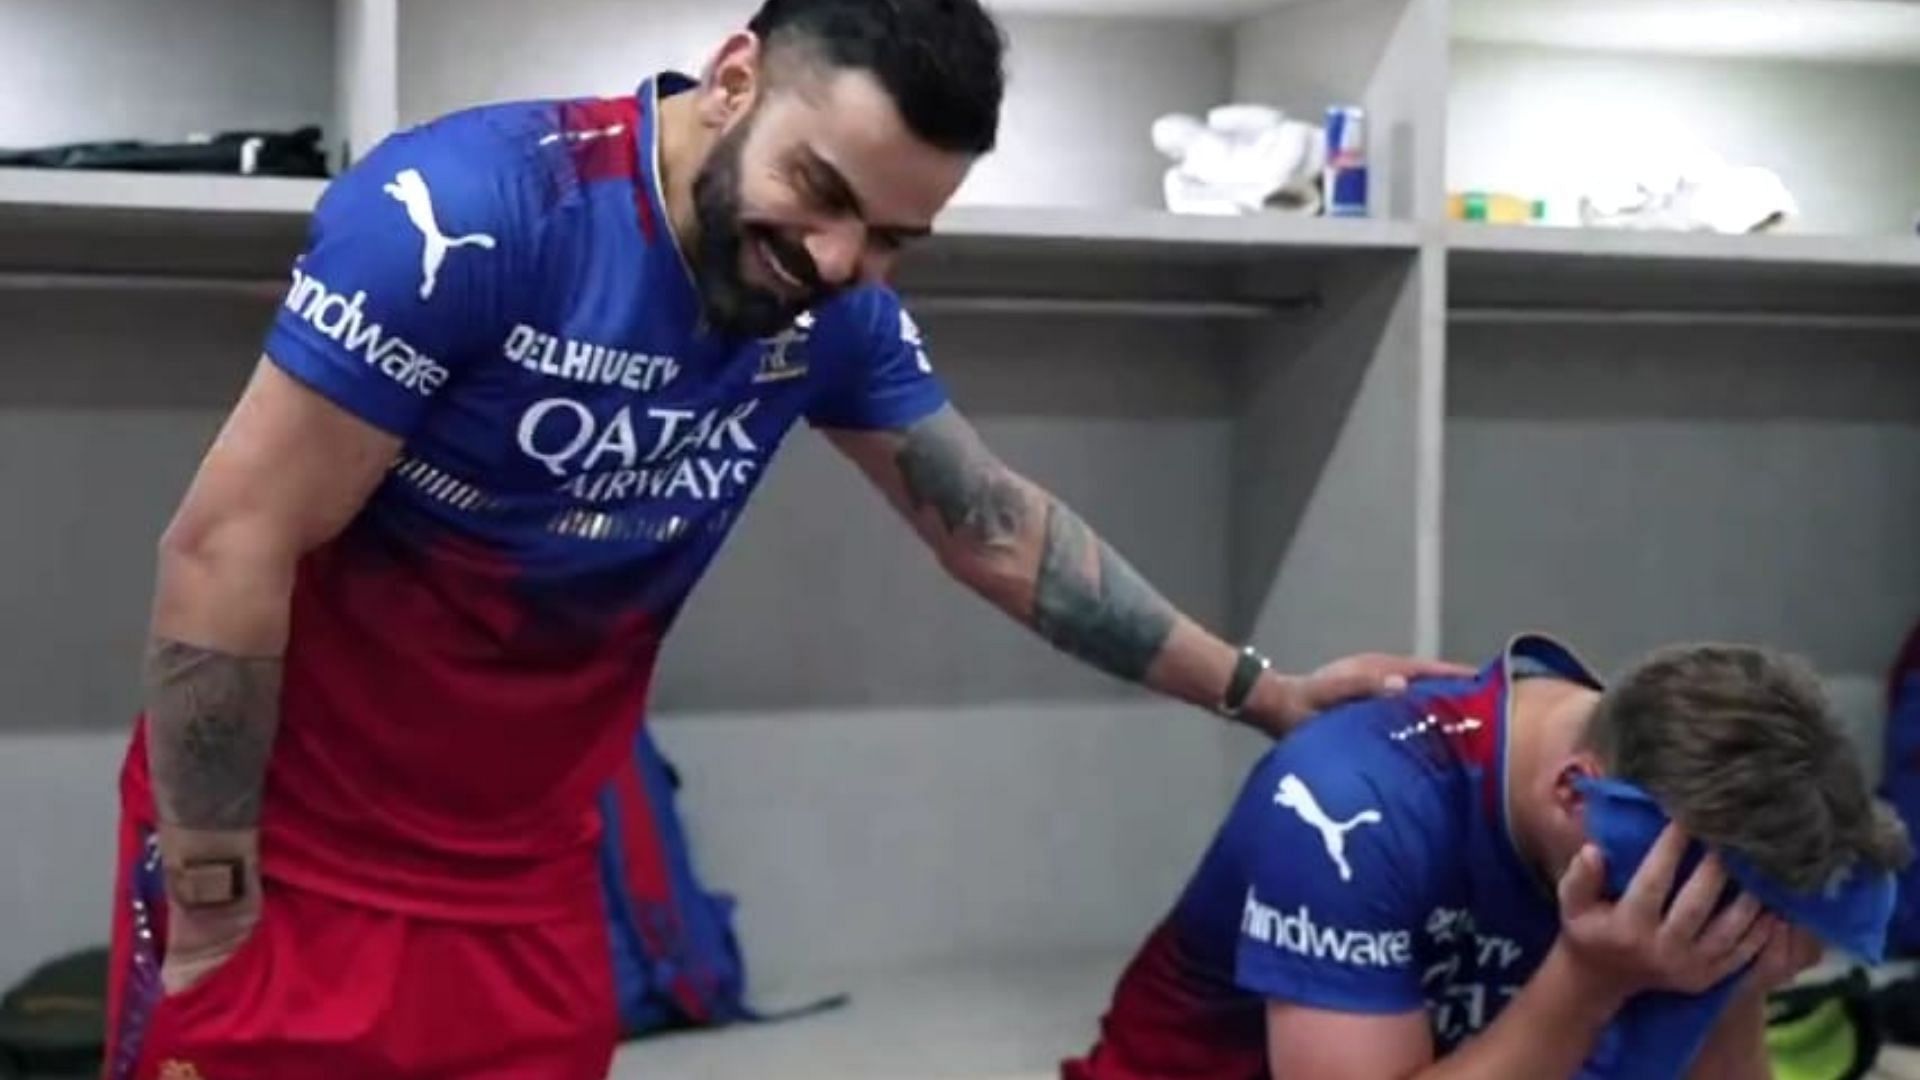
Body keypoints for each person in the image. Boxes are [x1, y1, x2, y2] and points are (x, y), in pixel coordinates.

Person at [101, 1, 1466, 1077]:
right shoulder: (469, 217)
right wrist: (215, 889)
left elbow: (994, 530)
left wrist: (1265, 691)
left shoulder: (832, 313)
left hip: (530, 880)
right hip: (291, 859)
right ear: (737, 75)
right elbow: (229, 547)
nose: (832, 257)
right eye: (816, 189)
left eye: (891, 235)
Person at [1064, 633, 1913, 1080]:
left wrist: (1735, 965)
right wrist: (1587, 980)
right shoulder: (1353, 801)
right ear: (1575, 794)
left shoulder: (1669, 810)